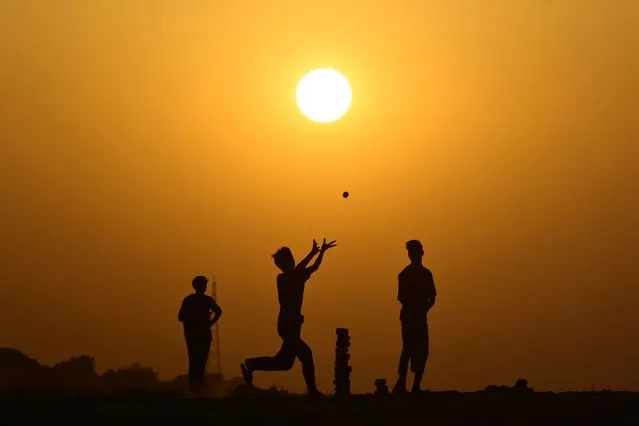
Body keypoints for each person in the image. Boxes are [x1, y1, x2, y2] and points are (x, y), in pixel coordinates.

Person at [240, 238, 337, 396]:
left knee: (284, 362)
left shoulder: (296, 276)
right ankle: (312, 390)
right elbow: (303, 268)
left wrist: (320, 253)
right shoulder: (284, 278)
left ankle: (252, 364)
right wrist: (313, 252)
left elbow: (313, 267)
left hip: (291, 324)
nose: (289, 263)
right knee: (306, 355)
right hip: (287, 324)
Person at [392, 240, 437, 395]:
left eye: (416, 251)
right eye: (412, 252)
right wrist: (415, 305)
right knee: (408, 349)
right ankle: (402, 384)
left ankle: (416, 386)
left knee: (423, 350)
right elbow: (401, 297)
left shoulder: (426, 274)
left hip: (420, 317)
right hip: (409, 317)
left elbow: (433, 296)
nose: (414, 255)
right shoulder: (404, 274)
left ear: (421, 253)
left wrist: (425, 309)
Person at [178, 275, 223, 395]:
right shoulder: (193, 300)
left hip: (199, 335)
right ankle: (195, 388)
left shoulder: (195, 300)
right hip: (195, 335)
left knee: (199, 362)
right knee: (196, 362)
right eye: (202, 285)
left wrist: (209, 323)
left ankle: (196, 388)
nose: (203, 287)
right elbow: (181, 317)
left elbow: (218, 311)